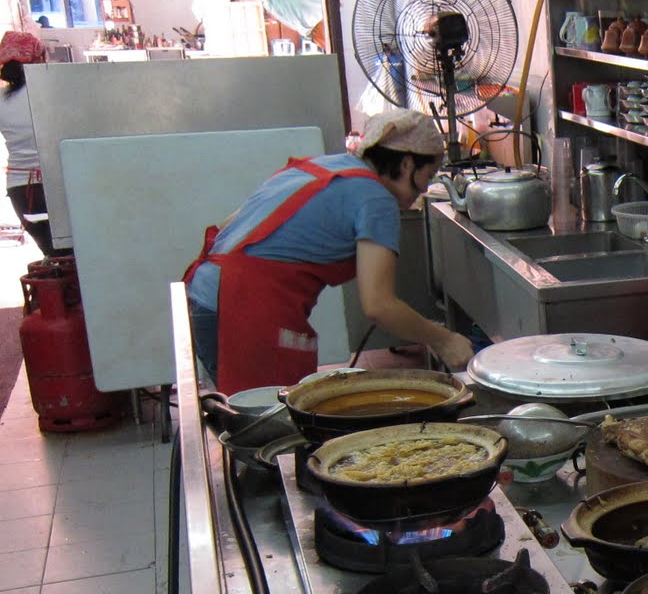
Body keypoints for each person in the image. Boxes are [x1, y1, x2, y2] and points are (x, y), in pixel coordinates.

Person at [185, 109, 474, 392]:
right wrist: (443, 339)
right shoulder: (376, 199)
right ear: (408, 164)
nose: (423, 189)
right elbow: (379, 305)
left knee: (245, 415)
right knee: (268, 422)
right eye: (429, 175)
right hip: (243, 309)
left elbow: (228, 227)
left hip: (206, 295)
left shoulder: (323, 167)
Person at [0, 30, 57, 257]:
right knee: (73, 258)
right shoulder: (51, 92)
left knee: (52, 255)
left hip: (21, 191)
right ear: (37, 59)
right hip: (56, 187)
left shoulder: (2, 101)